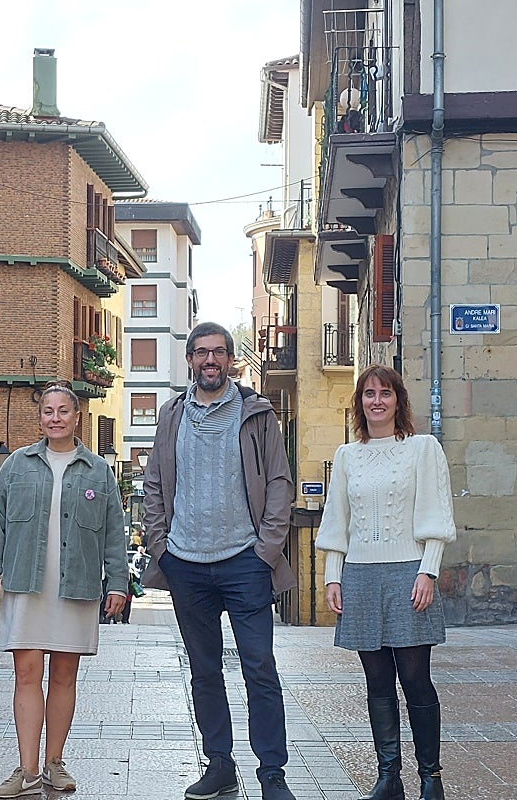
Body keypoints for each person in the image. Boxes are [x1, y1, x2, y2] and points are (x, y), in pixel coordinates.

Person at [141, 321, 297, 800]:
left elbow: (279, 481)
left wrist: (266, 549)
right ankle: (220, 765)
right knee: (204, 671)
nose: (210, 360)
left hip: (246, 562)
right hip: (186, 564)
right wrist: (162, 546)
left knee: (259, 668)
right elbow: (153, 484)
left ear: (230, 360)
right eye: (201, 352)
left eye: (219, 352)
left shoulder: (256, 413)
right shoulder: (171, 414)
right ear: (190, 359)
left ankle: (272, 774)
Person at [0, 381, 127, 798]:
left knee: (64, 676)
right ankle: (26, 771)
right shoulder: (15, 466)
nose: (55, 418)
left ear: (77, 417)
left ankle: (54, 763)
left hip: (76, 586)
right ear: (40, 417)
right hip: (25, 584)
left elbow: (114, 533)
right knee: (26, 674)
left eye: (64, 411)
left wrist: (118, 582)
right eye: (48, 411)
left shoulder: (98, 471)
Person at [315, 364, 457, 800]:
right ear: (360, 402)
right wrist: (333, 576)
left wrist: (428, 570)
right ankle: (388, 777)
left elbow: (437, 513)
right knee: (377, 683)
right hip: (359, 576)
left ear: (398, 401)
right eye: (369, 394)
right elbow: (337, 519)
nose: (376, 401)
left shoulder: (422, 448)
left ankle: (430, 778)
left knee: (415, 679)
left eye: (385, 393)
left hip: (408, 573)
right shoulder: (346, 455)